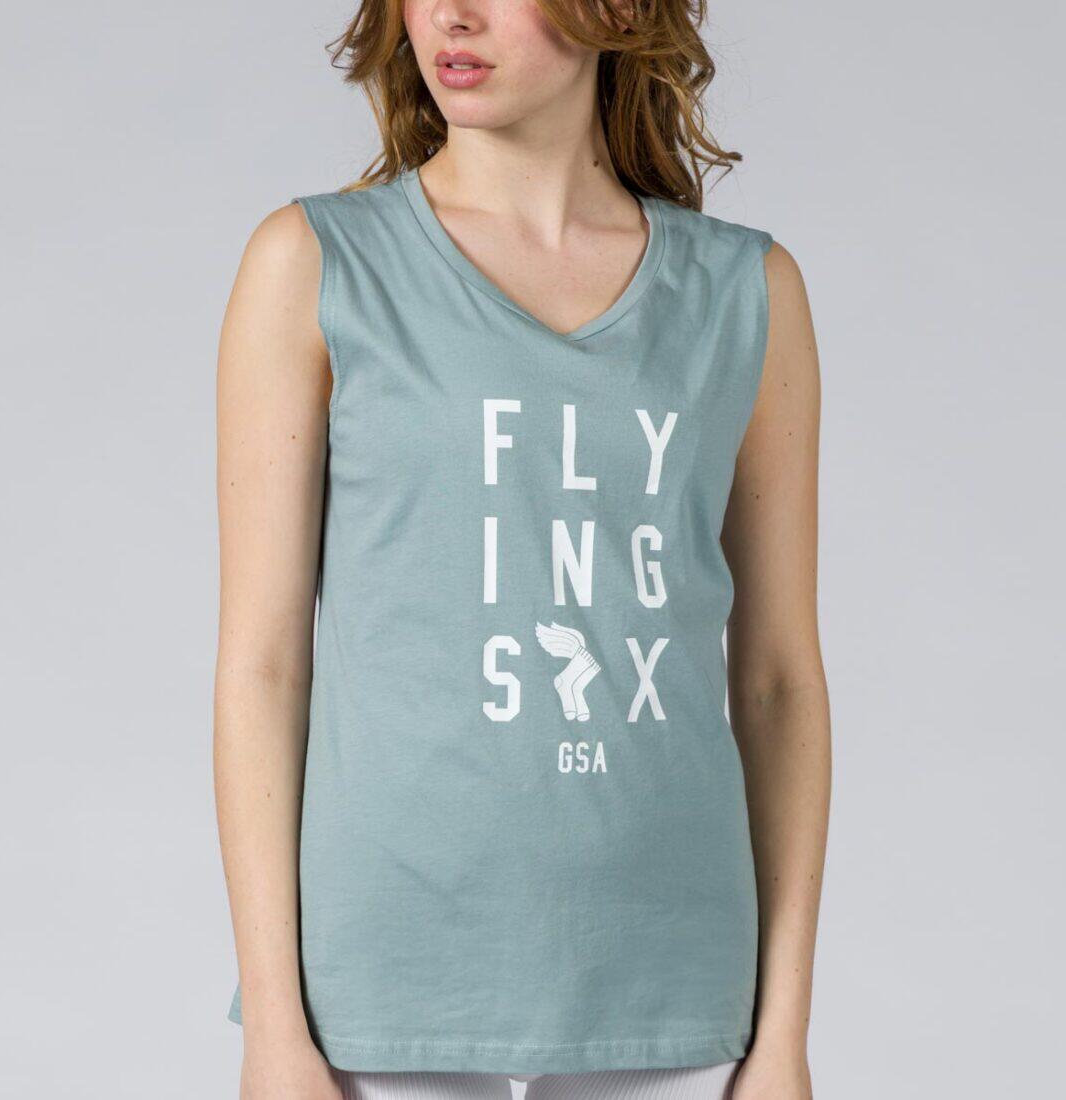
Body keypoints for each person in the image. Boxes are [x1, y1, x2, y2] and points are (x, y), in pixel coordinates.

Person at [213, 2, 831, 1098]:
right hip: (383, 1004)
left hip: (676, 1004)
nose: (452, 15)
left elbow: (778, 679)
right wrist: (274, 1027)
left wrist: (781, 1034)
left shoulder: (745, 293)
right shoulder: (314, 267)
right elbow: (262, 667)